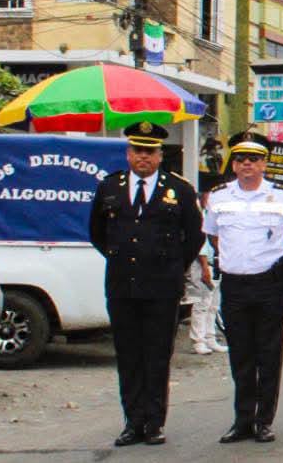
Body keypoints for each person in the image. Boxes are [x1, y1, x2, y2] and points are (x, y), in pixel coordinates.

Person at [88, 122, 203, 447]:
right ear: (128, 153)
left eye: (150, 151)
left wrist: (172, 266)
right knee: (128, 356)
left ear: (160, 155)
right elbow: (97, 233)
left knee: (156, 355)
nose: (143, 157)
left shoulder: (179, 189)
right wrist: (122, 259)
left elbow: (194, 236)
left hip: (162, 288)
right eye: (138, 150)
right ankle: (132, 422)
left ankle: (154, 422)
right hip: (122, 286)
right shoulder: (110, 187)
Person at [204, 131, 283, 444]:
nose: (246, 164)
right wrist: (233, 257)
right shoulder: (219, 197)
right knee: (240, 354)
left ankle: (264, 421)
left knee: (269, 353)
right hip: (235, 284)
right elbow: (213, 234)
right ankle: (242, 421)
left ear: (264, 164)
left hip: (269, 283)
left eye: (253, 159)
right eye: (240, 159)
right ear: (233, 164)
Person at [187, 233, 227, 356]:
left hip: (216, 262)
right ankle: (198, 340)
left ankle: (210, 338)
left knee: (213, 305)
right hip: (203, 264)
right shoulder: (204, 224)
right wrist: (204, 267)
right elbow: (201, 246)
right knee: (202, 304)